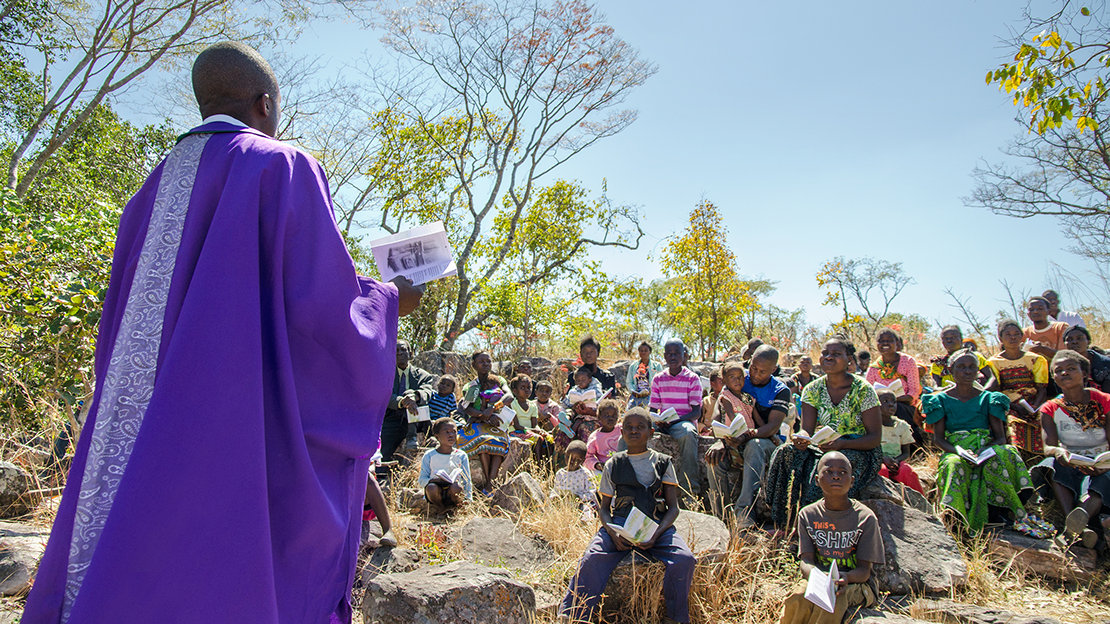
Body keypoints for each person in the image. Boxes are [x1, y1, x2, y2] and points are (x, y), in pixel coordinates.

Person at [21, 42, 425, 624]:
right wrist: (389, 302)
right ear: (264, 104)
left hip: (142, 424)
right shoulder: (281, 167)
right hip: (237, 420)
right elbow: (324, 315)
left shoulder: (148, 193)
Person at [559, 408, 695, 624]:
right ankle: (575, 615)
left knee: (684, 559)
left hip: (656, 525)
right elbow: (604, 508)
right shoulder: (614, 463)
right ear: (622, 433)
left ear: (651, 432)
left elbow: (673, 508)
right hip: (621, 523)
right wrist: (612, 532)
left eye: (640, 427)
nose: (634, 431)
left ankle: (675, 617)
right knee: (592, 556)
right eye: (629, 427)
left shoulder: (663, 462)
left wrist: (656, 534)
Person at [763, 337, 883, 528]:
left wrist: (843, 444)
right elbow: (807, 429)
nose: (828, 357)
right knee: (785, 453)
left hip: (859, 449)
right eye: (825, 353)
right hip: (826, 445)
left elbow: (875, 438)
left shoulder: (863, 390)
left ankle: (818, 527)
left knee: (828, 467)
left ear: (849, 359)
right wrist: (801, 439)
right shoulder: (813, 389)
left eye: (836, 354)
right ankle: (784, 521)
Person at [923, 349, 1032, 533]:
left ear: (978, 372)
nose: (967, 371)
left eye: (972, 367)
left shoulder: (989, 399)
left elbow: (1000, 437)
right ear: (951, 369)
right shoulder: (940, 400)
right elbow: (939, 439)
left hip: (985, 447)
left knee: (1005, 453)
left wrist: (984, 450)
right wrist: (959, 451)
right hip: (956, 448)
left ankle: (1001, 513)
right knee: (953, 464)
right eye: (961, 367)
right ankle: (957, 519)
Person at [778, 452, 885, 624]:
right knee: (797, 598)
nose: (836, 476)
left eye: (843, 472)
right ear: (816, 479)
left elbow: (865, 571)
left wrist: (846, 578)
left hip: (856, 584)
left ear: (852, 481)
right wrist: (817, 577)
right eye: (829, 472)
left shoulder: (865, 518)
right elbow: (806, 561)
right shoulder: (808, 514)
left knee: (832, 601)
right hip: (819, 581)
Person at [1035, 350, 1110, 549]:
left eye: (1071, 368)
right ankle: (1074, 522)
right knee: (1052, 464)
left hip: (1104, 461)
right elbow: (1048, 446)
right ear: (1054, 378)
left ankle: (1074, 527)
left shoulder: (1104, 401)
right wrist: (1059, 452)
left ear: (1084, 373)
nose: (1064, 373)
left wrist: (1105, 463)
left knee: (1103, 479)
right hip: (1072, 460)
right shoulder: (1049, 408)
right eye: (1058, 371)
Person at [705, 351, 785, 526]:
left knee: (754, 446)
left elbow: (769, 426)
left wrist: (749, 435)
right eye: (753, 368)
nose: (754, 374)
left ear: (774, 370)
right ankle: (721, 516)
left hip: (757, 440)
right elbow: (720, 415)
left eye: (762, 371)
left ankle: (744, 513)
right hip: (734, 437)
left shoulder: (780, 391)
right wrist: (721, 440)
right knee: (713, 458)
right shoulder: (736, 381)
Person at [647, 339, 704, 502]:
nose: (672, 357)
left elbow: (696, 412)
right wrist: (656, 420)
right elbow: (653, 409)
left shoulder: (692, 378)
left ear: (684, 355)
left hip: (681, 421)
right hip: (662, 421)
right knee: (634, 429)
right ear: (664, 356)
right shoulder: (658, 378)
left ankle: (690, 490)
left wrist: (675, 420)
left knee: (688, 433)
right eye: (669, 354)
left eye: (676, 353)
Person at [989, 319, 1050, 457]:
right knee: (1013, 422)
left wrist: (1035, 406)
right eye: (1008, 335)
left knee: (1044, 420)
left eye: (1016, 334)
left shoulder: (1036, 359)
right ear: (1000, 338)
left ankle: (1045, 458)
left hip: (1034, 402)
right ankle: (1020, 458)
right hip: (1009, 404)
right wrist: (1014, 407)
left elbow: (1042, 388)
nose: (1013, 337)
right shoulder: (993, 362)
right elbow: (997, 389)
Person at [457, 352, 512, 490]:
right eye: (481, 361)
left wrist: (493, 409)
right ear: (474, 365)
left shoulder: (499, 380)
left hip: (497, 421)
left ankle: (490, 483)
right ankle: (489, 482)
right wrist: (483, 415)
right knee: (483, 443)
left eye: (488, 361)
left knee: (499, 442)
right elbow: (467, 408)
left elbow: (509, 396)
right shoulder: (471, 386)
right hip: (478, 422)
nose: (486, 364)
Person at [865, 327, 923, 445]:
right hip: (881, 408)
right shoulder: (873, 368)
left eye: (889, 340)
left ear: (897, 343)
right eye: (881, 341)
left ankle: (910, 446)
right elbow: (868, 393)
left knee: (897, 408)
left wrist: (892, 400)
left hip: (906, 406)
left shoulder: (908, 361)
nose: (885, 343)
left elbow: (914, 392)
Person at [382, 340, 437, 459]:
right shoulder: (386, 375)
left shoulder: (423, 375)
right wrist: (402, 402)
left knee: (410, 393)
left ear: (410, 354)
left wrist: (413, 396)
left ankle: (412, 437)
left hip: (419, 418)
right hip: (393, 416)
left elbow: (426, 392)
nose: (399, 353)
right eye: (396, 351)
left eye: (403, 350)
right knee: (384, 450)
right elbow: (385, 395)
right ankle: (381, 474)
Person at [418, 417, 473, 513]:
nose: (451, 435)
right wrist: (435, 480)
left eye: (454, 432)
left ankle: (453, 508)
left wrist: (469, 498)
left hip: (453, 491)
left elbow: (467, 480)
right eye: (447, 432)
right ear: (437, 436)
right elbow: (422, 480)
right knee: (431, 488)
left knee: (457, 487)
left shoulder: (461, 455)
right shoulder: (429, 455)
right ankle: (440, 509)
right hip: (436, 492)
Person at [876, 389, 923, 494]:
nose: (891, 405)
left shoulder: (901, 426)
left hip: (896, 462)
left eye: (894, 401)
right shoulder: (871, 425)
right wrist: (882, 459)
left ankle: (921, 502)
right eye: (885, 401)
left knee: (907, 471)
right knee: (881, 471)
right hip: (877, 460)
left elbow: (906, 452)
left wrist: (896, 461)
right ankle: (883, 498)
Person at [930, 325, 998, 390]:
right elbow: (935, 386)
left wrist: (982, 393)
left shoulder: (976, 357)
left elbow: (992, 378)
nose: (949, 340)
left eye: (953, 337)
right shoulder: (938, 363)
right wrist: (945, 391)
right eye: (945, 338)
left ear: (961, 339)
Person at [1064, 326, 1110, 392]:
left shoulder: (1106, 364)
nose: (1074, 342)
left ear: (1088, 342)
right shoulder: (1060, 365)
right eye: (1070, 339)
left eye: (1079, 338)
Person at [564, 366, 605, 440]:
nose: (581, 382)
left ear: (589, 380)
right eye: (578, 380)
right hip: (577, 412)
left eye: (583, 379)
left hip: (590, 413)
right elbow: (569, 404)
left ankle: (571, 431)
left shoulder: (595, 389)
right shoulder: (574, 391)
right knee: (569, 411)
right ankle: (566, 420)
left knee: (580, 422)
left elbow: (600, 402)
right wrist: (564, 395)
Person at [1024, 296, 1071, 360]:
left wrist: (1042, 349)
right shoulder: (1024, 333)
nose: (1035, 312)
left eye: (1040, 309)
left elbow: (1065, 355)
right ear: (1028, 314)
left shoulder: (1061, 327)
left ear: (1049, 311)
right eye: (1031, 310)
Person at [552, 440, 597, 505]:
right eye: (568, 457)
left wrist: (579, 497)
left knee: (587, 511)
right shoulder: (560, 473)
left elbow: (592, 493)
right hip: (564, 505)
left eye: (577, 459)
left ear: (582, 461)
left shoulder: (585, 474)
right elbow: (555, 490)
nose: (571, 461)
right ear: (565, 454)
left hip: (581, 504)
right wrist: (555, 497)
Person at [586, 400, 623, 472]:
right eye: (607, 415)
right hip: (604, 468)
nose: (611, 418)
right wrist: (596, 465)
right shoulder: (595, 438)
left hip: (622, 464)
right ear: (599, 417)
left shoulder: (622, 430)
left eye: (614, 415)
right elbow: (587, 457)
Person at [626, 341, 663, 409]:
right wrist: (633, 391)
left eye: (646, 351)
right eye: (641, 351)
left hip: (651, 395)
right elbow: (629, 382)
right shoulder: (633, 366)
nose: (643, 352)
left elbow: (660, 382)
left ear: (650, 352)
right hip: (636, 395)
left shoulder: (657, 366)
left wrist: (650, 391)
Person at [700, 368, 724, 434]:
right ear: (712, 383)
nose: (724, 384)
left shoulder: (728, 400)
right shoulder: (706, 401)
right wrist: (704, 428)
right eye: (721, 382)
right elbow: (698, 421)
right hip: (707, 431)